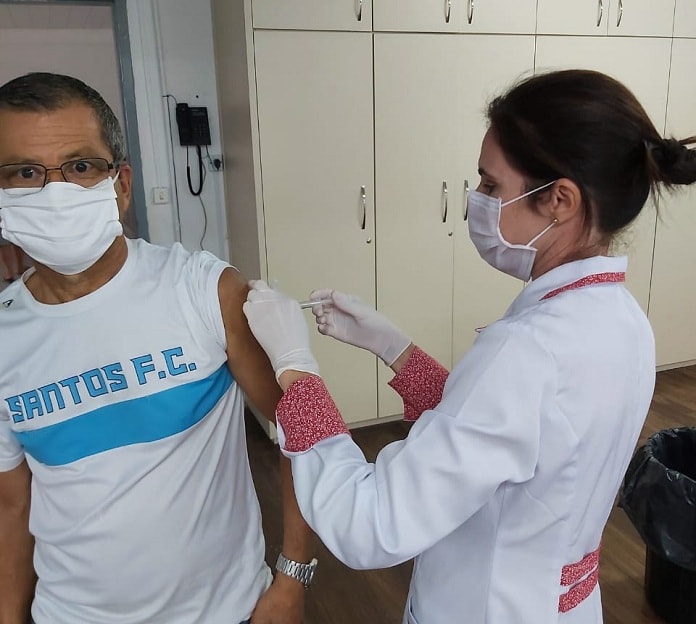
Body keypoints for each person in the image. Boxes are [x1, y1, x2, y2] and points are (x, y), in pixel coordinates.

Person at [242, 69, 696, 624]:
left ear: (560, 200)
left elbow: (371, 522)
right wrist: (394, 347)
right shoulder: (621, 320)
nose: (476, 202)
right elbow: (504, 436)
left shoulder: (529, 350)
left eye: (490, 186)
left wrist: (295, 371)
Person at [0, 72, 314, 624]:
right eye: (25, 173)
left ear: (120, 185)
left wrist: (293, 577)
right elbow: (11, 503)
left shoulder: (204, 292)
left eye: (79, 166)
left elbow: (302, 433)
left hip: (227, 610)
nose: (55, 193)